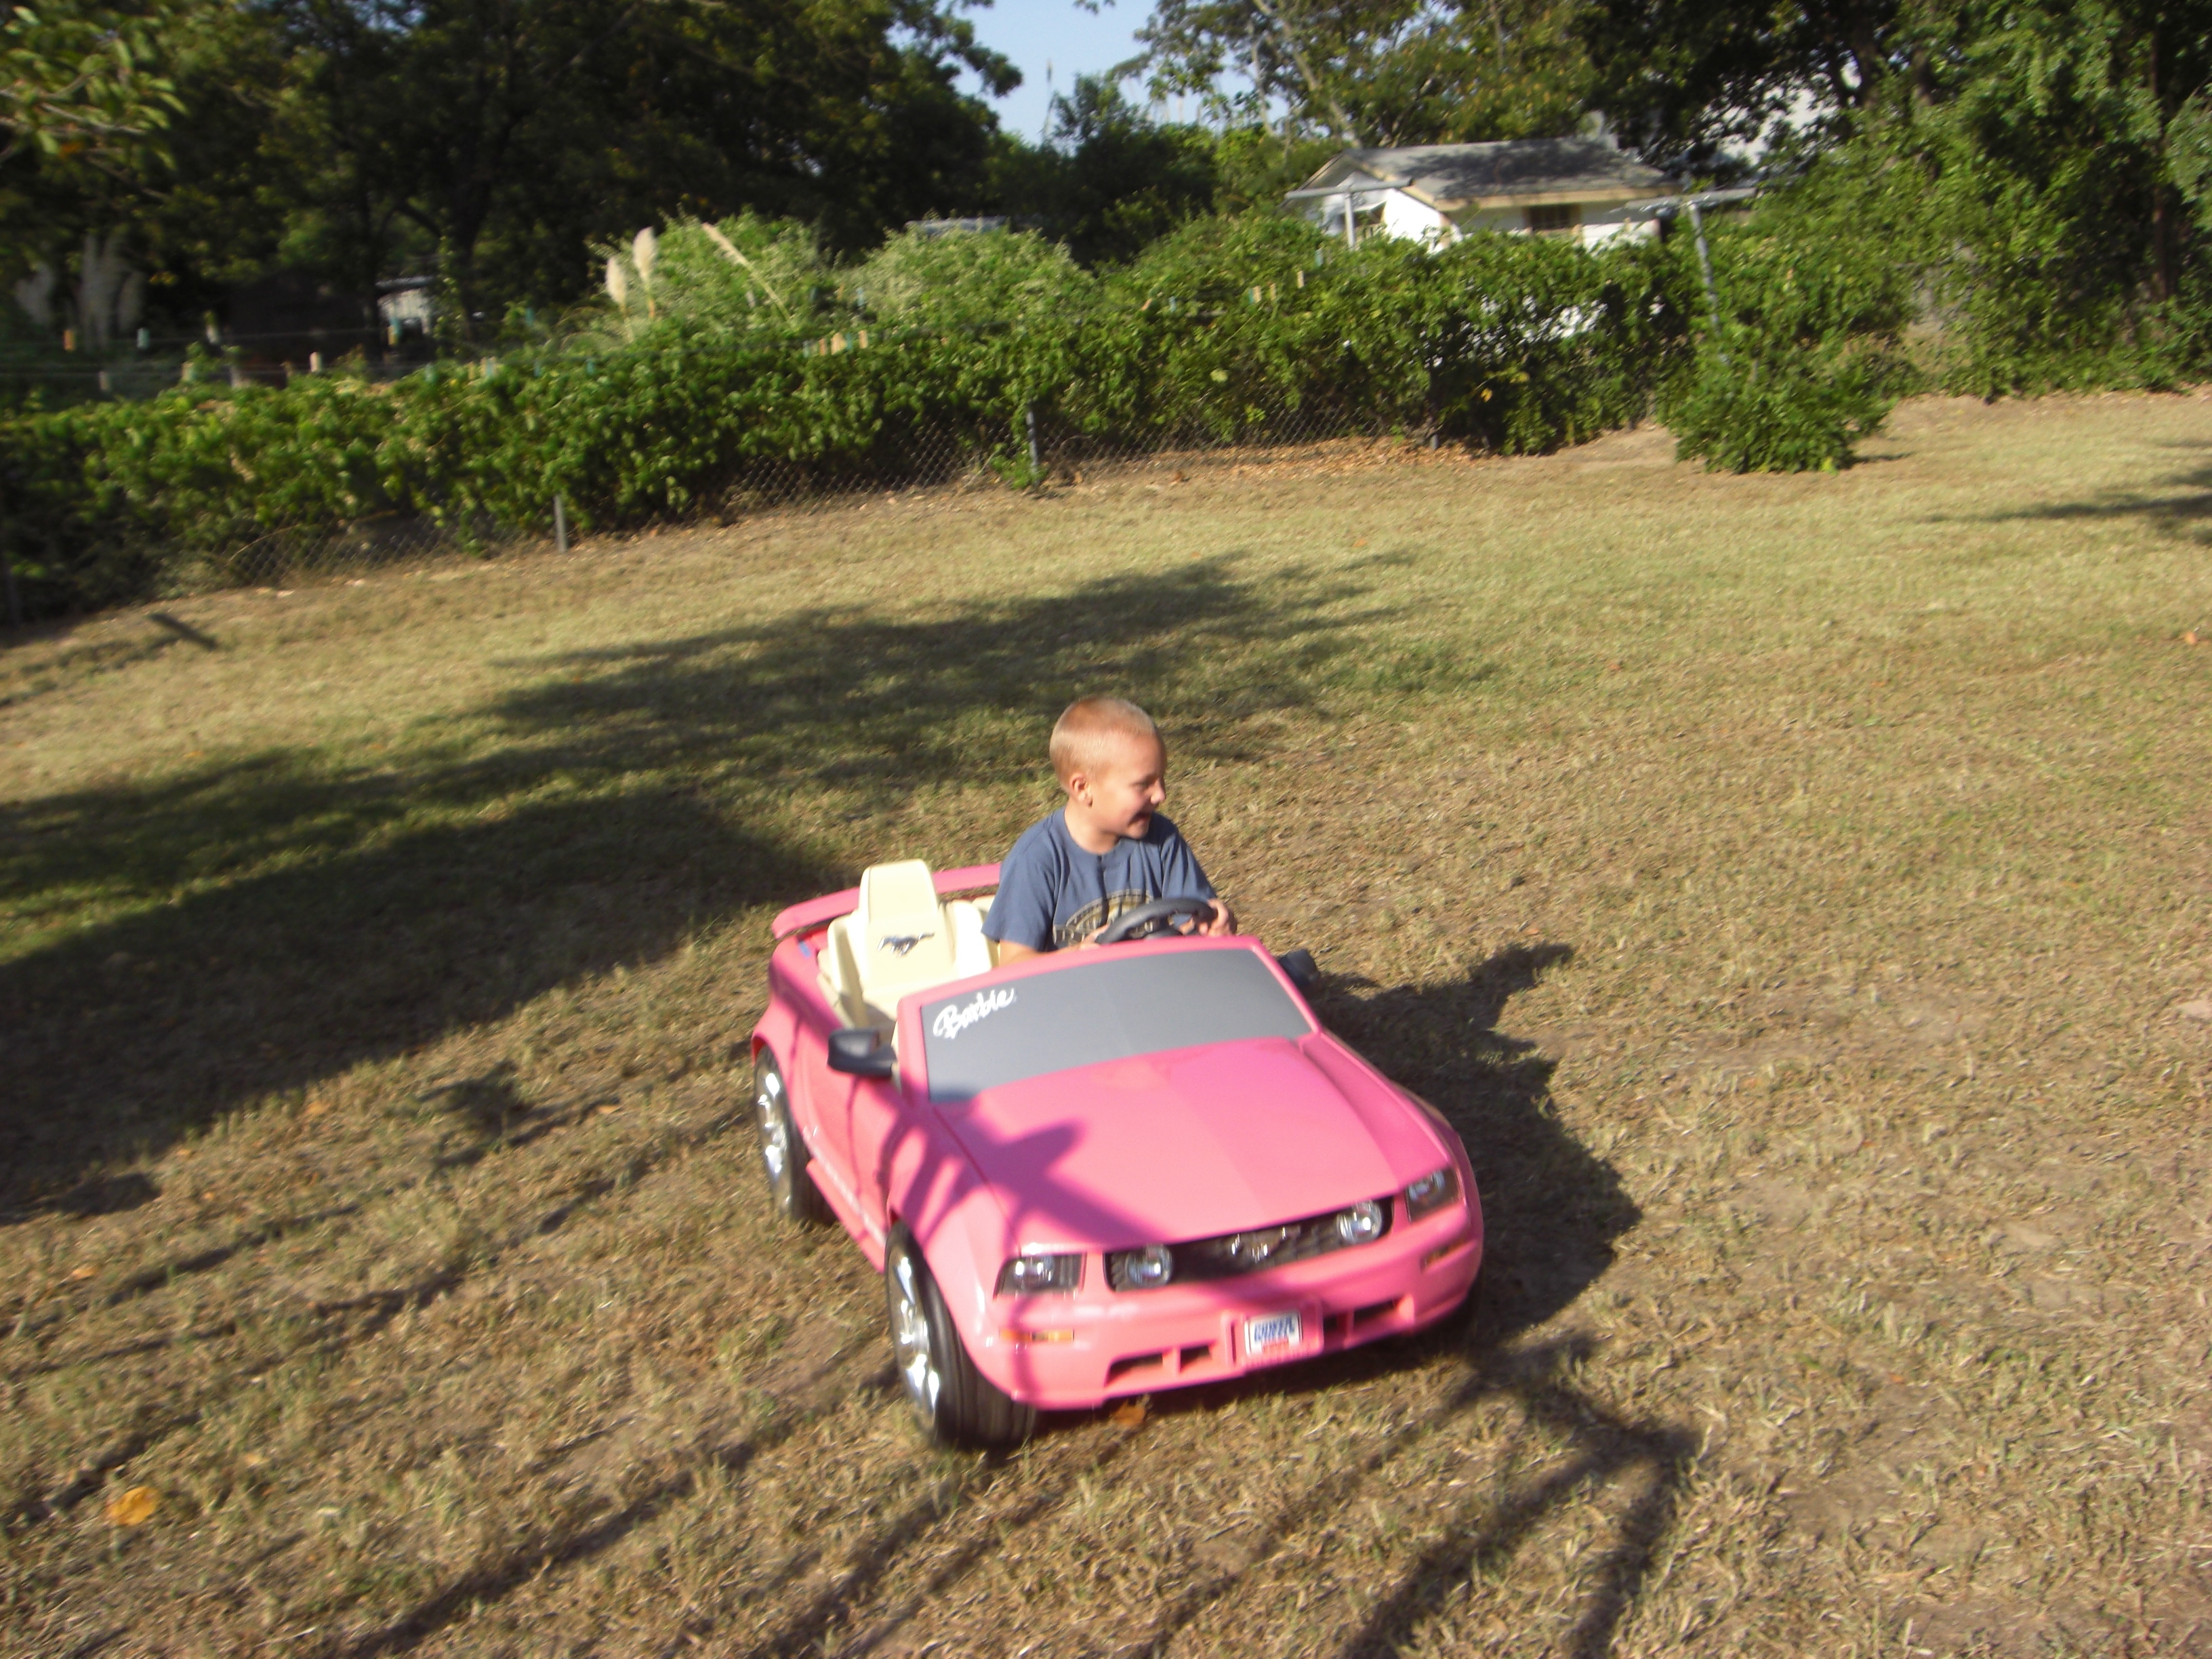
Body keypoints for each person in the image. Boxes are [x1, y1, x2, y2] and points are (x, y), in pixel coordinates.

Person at [985, 697, 1236, 963]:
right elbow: (1013, 963)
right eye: (1144, 784)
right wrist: (1075, 955)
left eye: (1162, 778)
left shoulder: (1163, 840)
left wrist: (1216, 924)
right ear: (1084, 788)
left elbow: (1195, 920)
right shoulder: (1036, 859)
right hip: (1074, 987)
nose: (1161, 795)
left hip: (1154, 979)